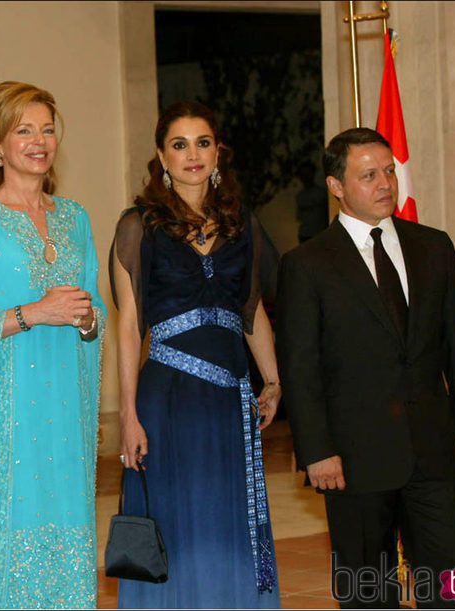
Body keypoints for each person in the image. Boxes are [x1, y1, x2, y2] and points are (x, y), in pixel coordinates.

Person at [276, 127, 455, 608]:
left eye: (389, 171)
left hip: (434, 449)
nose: (385, 183)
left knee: (453, 583)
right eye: (368, 175)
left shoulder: (435, 246)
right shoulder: (307, 264)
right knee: (367, 592)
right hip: (353, 460)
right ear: (336, 187)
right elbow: (301, 366)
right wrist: (317, 450)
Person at [0, 81, 105, 608]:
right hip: (5, 421)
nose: (39, 141)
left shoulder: (75, 218)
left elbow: (95, 311)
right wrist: (33, 313)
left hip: (65, 414)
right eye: (23, 130)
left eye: (48, 129)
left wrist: (84, 322)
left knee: (68, 535)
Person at [112, 101, 281, 609]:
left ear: (217, 153)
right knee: (176, 520)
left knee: (228, 520)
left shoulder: (242, 223)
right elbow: (127, 326)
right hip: (168, 400)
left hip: (230, 401)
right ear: (161, 155)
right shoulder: (138, 224)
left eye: (202, 143)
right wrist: (128, 415)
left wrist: (272, 381)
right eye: (179, 145)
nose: (192, 155)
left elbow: (252, 311)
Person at [294, 161, 329, 243]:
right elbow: (299, 217)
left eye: (307, 173)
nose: (306, 177)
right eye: (303, 174)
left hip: (319, 235)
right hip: (305, 235)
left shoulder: (321, 194)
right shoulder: (300, 197)